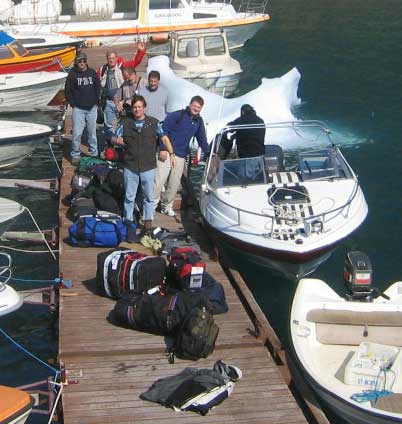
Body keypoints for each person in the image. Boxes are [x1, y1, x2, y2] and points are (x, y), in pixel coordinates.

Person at [111, 95, 176, 237]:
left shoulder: (153, 123)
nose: (137, 109)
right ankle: (128, 221)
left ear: (144, 108)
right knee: (129, 196)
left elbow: (164, 138)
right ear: (132, 109)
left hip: (148, 167)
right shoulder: (125, 123)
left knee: (149, 197)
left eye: (139, 107)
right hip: (131, 166)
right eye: (135, 107)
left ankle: (148, 221)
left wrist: (171, 153)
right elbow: (113, 138)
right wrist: (118, 141)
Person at [154, 95, 208, 217]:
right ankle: (151, 205)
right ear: (190, 105)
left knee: (174, 183)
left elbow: (202, 138)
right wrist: (162, 149)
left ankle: (166, 206)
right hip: (167, 152)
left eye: (199, 108)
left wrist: (209, 152)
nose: (196, 109)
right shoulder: (177, 115)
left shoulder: (198, 121)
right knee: (159, 181)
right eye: (194, 106)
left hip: (180, 155)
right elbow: (163, 131)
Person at [98, 44, 146, 137]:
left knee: (124, 124)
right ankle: (110, 147)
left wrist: (141, 51)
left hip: (122, 101)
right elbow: (95, 83)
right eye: (109, 58)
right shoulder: (102, 69)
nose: (111, 60)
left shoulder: (122, 66)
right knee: (109, 127)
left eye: (113, 58)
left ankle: (123, 145)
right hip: (108, 102)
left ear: (116, 58)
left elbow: (136, 62)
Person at [65, 51, 101, 164]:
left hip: (92, 108)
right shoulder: (72, 74)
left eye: (83, 61)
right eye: (79, 61)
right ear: (76, 62)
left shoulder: (92, 72)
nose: (82, 63)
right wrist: (73, 104)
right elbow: (68, 91)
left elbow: (98, 87)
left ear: (86, 61)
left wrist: (97, 102)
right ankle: (75, 154)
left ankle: (94, 152)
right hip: (78, 109)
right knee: (77, 133)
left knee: (92, 133)